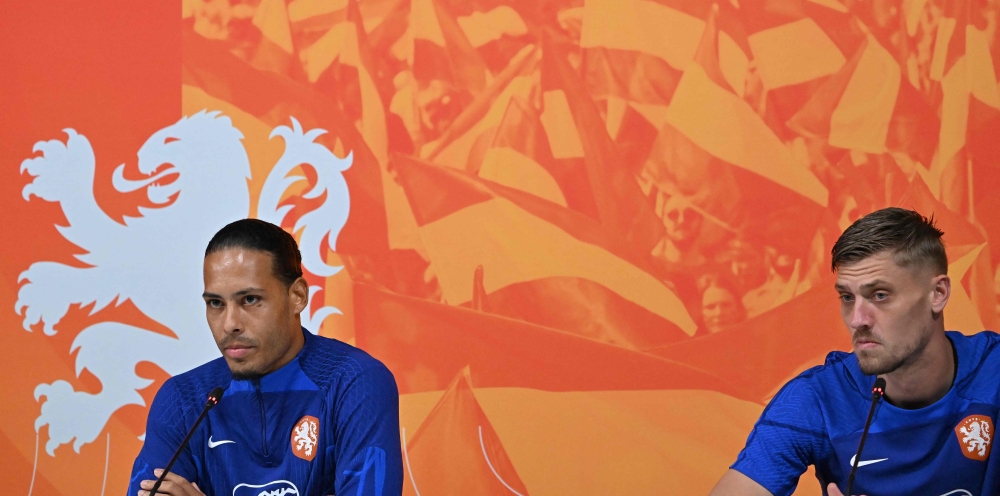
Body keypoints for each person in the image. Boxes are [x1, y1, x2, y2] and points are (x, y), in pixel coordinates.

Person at [710, 207, 1000, 496]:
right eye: (847, 297)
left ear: (937, 294)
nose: (857, 319)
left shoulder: (993, 371)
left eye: (880, 295)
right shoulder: (821, 397)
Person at [128, 219, 403, 496]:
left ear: (297, 296)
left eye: (249, 300)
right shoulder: (183, 400)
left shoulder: (355, 384)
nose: (229, 324)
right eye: (216, 304)